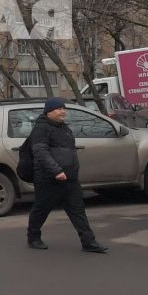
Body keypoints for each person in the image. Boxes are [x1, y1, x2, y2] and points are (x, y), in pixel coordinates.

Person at [26, 99, 109, 253]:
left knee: (78, 211)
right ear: (49, 112)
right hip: (48, 179)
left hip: (69, 179)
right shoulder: (41, 129)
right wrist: (56, 171)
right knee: (41, 209)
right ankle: (33, 237)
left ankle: (89, 242)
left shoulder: (64, 128)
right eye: (58, 109)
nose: (63, 111)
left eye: (64, 108)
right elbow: (40, 152)